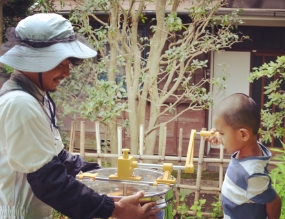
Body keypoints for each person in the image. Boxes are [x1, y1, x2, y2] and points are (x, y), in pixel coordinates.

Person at [0, 13, 161, 219]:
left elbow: (61, 161)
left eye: (68, 64)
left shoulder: (39, 98)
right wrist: (115, 210)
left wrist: (109, 179)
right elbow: (49, 181)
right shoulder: (20, 103)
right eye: (60, 63)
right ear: (35, 61)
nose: (67, 73)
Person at [205, 93, 281, 219]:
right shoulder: (249, 148)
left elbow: (274, 202)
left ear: (244, 135)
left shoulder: (252, 174)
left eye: (222, 133)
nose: (219, 135)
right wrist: (221, 137)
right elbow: (235, 138)